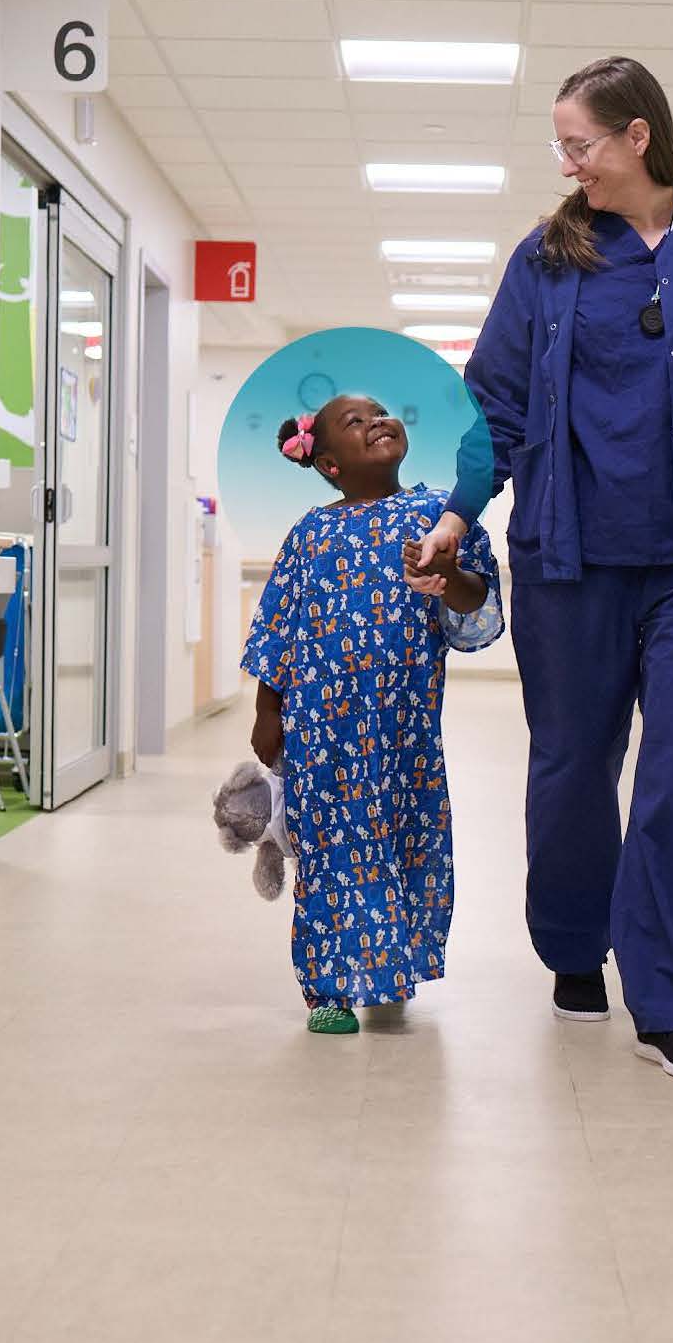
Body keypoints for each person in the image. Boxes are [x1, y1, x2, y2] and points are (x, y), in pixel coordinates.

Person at [410, 55, 673, 1080]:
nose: (567, 162)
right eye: (561, 145)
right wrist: (459, 512)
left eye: (579, 142)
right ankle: (576, 942)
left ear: (638, 135)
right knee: (574, 766)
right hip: (568, 556)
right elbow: (493, 403)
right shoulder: (546, 261)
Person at [243, 394, 506, 1035]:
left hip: (406, 732)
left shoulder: (443, 516)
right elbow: (279, 628)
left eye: (382, 412)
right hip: (323, 732)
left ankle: (390, 968)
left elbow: (476, 609)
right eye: (356, 423)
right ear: (329, 463)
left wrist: (450, 573)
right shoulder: (310, 533)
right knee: (333, 851)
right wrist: (266, 710)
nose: (377, 422)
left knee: (406, 844)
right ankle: (328, 988)